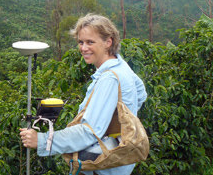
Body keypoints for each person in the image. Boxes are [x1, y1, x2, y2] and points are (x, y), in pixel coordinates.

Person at [19, 14, 147, 175]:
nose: (83, 48)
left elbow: (90, 132)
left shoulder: (109, 78)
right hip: (120, 164)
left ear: (108, 42)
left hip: (104, 167)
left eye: (90, 42)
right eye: (81, 42)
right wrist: (115, 119)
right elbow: (141, 95)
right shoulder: (121, 66)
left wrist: (42, 140)